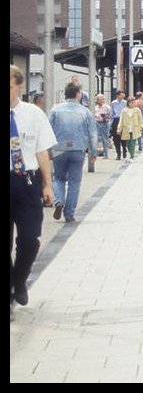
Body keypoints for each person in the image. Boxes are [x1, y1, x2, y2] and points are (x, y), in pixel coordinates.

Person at [10, 65, 57, 313]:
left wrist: (48, 185)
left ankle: (19, 278)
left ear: (19, 87)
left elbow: (41, 152)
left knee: (30, 239)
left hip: (26, 182)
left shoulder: (33, 114)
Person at [47, 82, 99, 224]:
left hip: (59, 149)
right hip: (78, 150)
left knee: (58, 178)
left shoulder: (55, 110)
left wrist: (48, 150)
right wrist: (93, 151)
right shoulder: (85, 112)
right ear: (77, 94)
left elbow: (48, 130)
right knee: (74, 182)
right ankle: (69, 213)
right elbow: (92, 134)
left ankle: (59, 200)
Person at [116, 96, 143, 161]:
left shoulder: (137, 110)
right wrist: (119, 129)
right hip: (126, 128)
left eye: (134, 102)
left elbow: (140, 119)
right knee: (128, 143)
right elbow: (121, 120)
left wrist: (141, 126)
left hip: (135, 128)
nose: (133, 104)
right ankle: (130, 152)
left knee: (133, 141)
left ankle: (132, 156)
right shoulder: (124, 110)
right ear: (128, 103)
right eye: (131, 103)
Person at [109, 90, 127, 160]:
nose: (123, 96)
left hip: (123, 120)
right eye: (121, 95)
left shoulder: (125, 102)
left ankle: (124, 149)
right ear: (118, 95)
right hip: (116, 120)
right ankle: (118, 154)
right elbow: (111, 113)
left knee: (123, 137)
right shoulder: (113, 103)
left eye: (123, 95)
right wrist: (111, 123)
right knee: (116, 138)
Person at [93, 94, 112, 159]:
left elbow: (111, 115)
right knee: (95, 138)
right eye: (99, 99)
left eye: (102, 99)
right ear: (97, 100)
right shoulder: (95, 108)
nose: (101, 101)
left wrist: (106, 116)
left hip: (105, 123)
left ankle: (106, 154)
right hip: (97, 123)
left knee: (105, 139)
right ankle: (95, 153)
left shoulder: (107, 107)